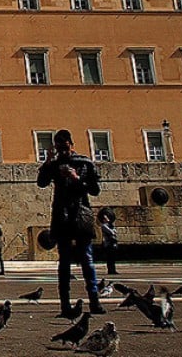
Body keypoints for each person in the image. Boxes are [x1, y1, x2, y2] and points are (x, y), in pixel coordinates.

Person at [37, 128, 106, 315]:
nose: (63, 151)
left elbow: (94, 190)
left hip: (81, 212)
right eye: (59, 148)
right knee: (64, 262)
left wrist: (76, 179)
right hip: (61, 214)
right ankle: (65, 305)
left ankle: (94, 301)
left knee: (87, 259)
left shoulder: (84, 163)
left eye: (65, 147)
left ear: (72, 145)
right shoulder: (55, 164)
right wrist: (48, 159)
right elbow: (41, 182)